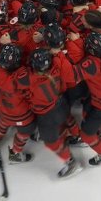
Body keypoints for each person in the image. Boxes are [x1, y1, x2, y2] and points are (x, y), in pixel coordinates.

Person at [66, 32, 101, 166]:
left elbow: (71, 75)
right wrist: (78, 40)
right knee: (86, 111)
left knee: (86, 134)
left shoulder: (92, 64)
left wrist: (68, 45)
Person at [27, 48, 83, 178]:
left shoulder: (31, 81)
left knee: (50, 142)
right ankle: (77, 136)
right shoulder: (56, 71)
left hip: (47, 116)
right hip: (61, 103)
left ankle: (71, 162)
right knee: (68, 118)